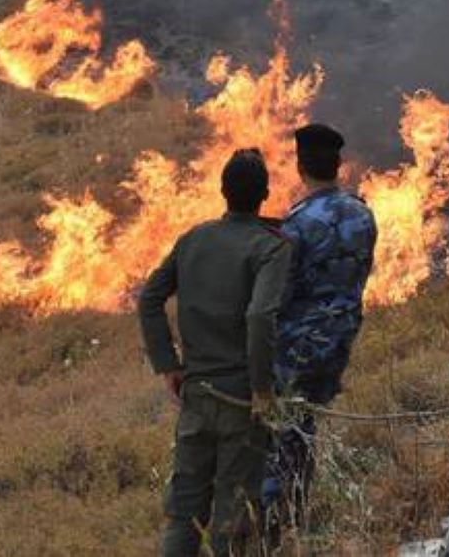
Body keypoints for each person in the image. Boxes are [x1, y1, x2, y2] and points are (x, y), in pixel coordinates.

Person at [139, 149, 292, 557]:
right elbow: (260, 316)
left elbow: (149, 298)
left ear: (222, 191)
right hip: (241, 400)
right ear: (265, 195)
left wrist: (168, 366)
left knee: (184, 512)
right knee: (233, 517)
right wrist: (262, 389)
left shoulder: (194, 239)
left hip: (196, 396)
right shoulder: (271, 247)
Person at [262, 122, 378, 539]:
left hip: (298, 346)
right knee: (303, 425)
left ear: (300, 167)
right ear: (338, 164)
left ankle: (277, 528)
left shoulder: (297, 226)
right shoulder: (363, 214)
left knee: (281, 432)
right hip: (340, 340)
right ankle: (297, 512)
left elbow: (280, 294)